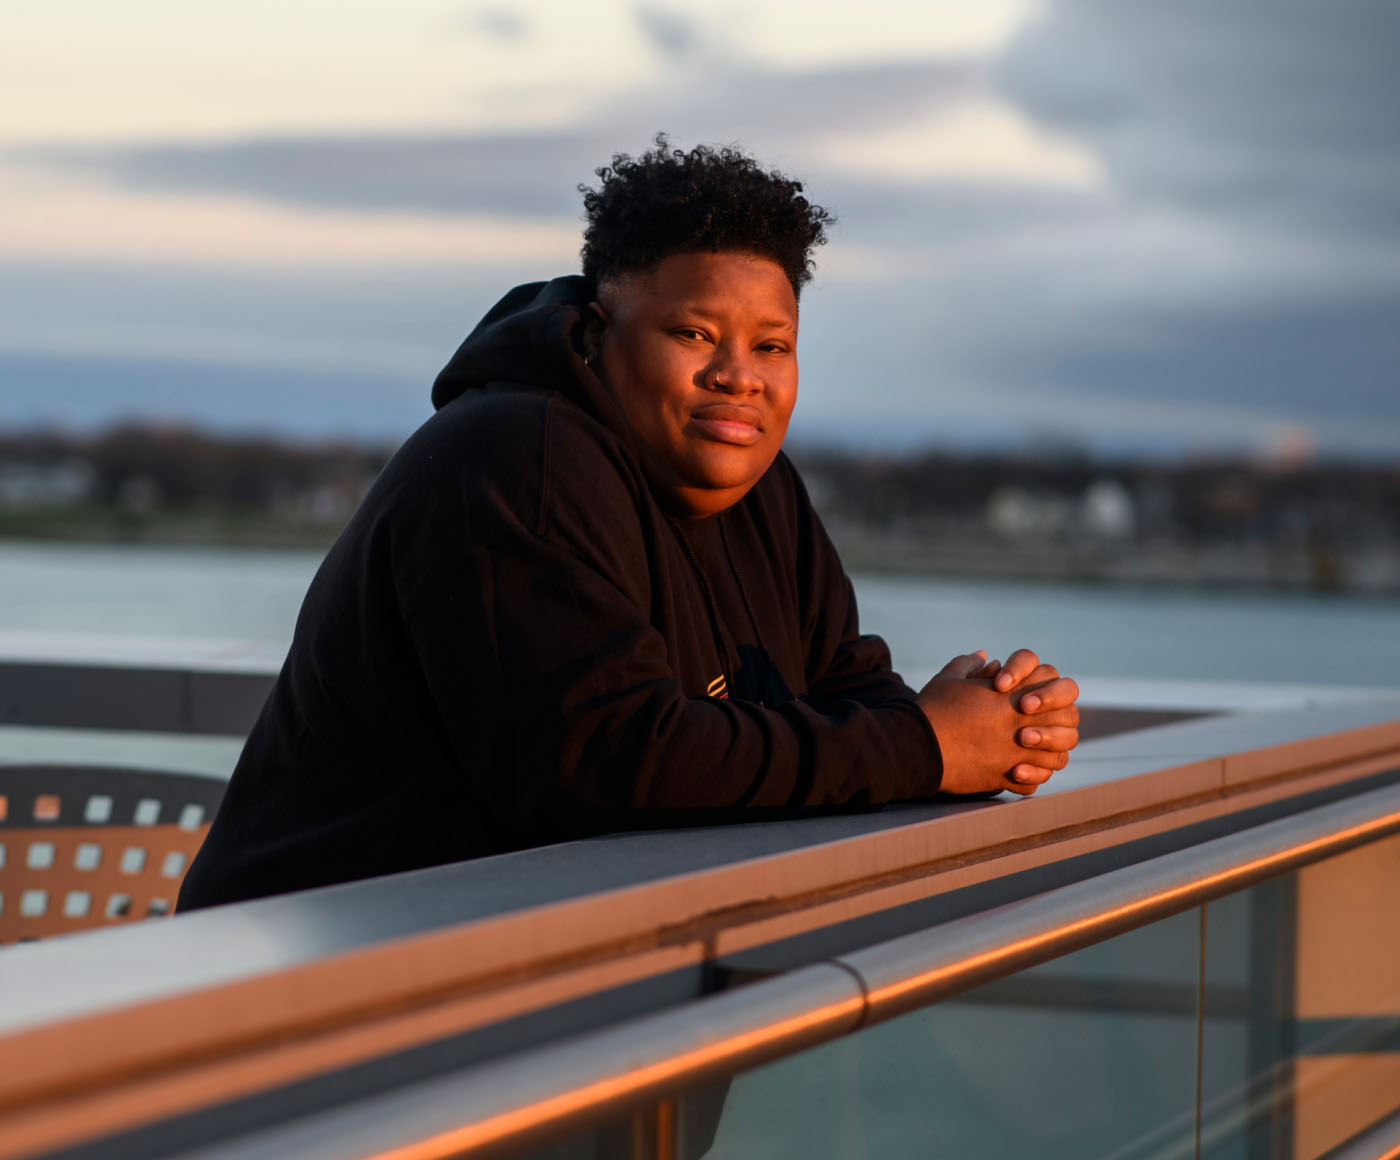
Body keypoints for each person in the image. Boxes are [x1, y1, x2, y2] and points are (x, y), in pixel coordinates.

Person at [178, 138, 1078, 911]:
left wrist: (989, 723)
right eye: (694, 334)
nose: (739, 376)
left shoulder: (763, 492)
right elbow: (609, 763)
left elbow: (849, 696)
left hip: (567, 995)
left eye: (772, 345)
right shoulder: (513, 457)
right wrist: (928, 744)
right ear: (593, 335)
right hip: (321, 1006)